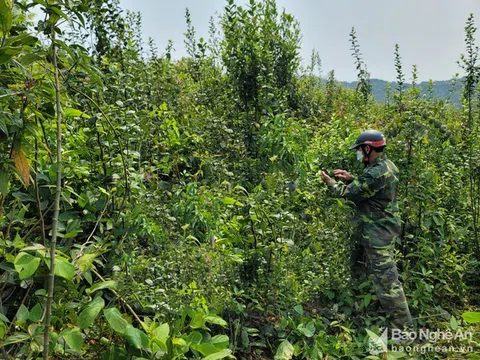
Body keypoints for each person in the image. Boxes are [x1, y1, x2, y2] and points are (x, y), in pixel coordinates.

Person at [320, 129, 413, 330]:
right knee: (362, 272)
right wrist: (351, 178)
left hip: (377, 234)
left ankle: (404, 330)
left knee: (388, 283)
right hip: (381, 231)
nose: (359, 153)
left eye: (360, 149)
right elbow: (370, 188)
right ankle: (363, 313)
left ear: (368, 148)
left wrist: (330, 182)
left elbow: (347, 194)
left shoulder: (374, 172)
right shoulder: (388, 166)